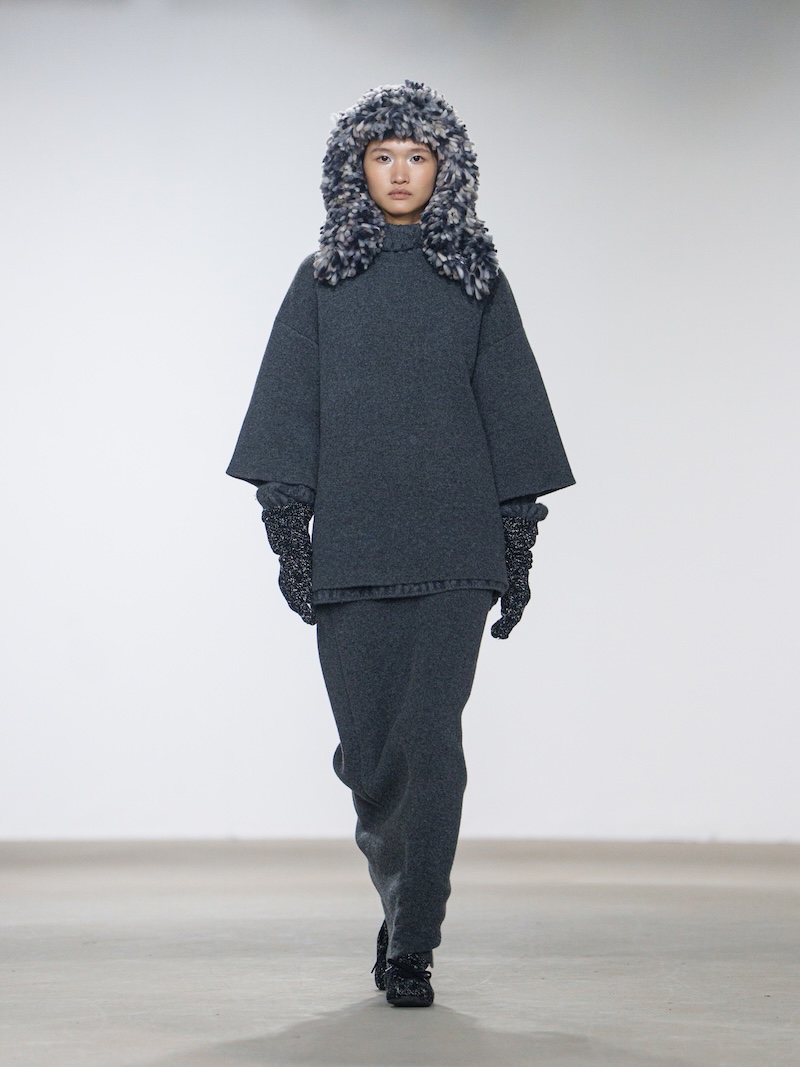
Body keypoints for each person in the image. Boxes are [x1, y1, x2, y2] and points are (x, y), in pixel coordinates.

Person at [226, 80, 575, 1007]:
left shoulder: (476, 280)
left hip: (456, 544)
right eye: (383, 155)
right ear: (355, 168)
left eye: (418, 155)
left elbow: (513, 412)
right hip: (352, 547)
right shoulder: (322, 281)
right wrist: (290, 535)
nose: (400, 171)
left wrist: (516, 545)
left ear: (445, 168)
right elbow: (288, 407)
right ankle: (400, 897)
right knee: (372, 756)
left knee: (430, 744)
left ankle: (414, 940)